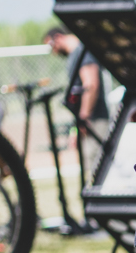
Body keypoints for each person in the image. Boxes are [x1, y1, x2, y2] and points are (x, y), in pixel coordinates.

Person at [45, 25, 108, 183]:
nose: (53, 52)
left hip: (95, 120)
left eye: (51, 45)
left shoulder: (81, 51)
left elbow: (91, 84)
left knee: (99, 171)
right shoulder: (75, 55)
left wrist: (84, 117)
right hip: (89, 120)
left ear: (58, 37)